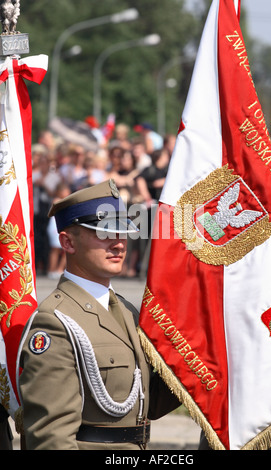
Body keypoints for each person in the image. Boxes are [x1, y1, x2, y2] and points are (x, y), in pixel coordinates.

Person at [17, 179, 179, 450]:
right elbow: (51, 439)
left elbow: (145, 402)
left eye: (122, 231)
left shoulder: (127, 310)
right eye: (104, 233)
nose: (118, 244)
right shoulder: (55, 321)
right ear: (67, 243)